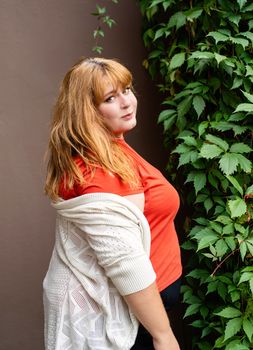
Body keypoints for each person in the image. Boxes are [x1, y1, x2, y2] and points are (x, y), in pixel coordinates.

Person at [43, 57, 182, 350]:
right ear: (88, 112)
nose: (126, 102)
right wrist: (163, 335)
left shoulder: (111, 149)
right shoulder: (101, 171)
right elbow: (124, 261)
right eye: (110, 98)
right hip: (136, 324)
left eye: (127, 90)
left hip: (141, 316)